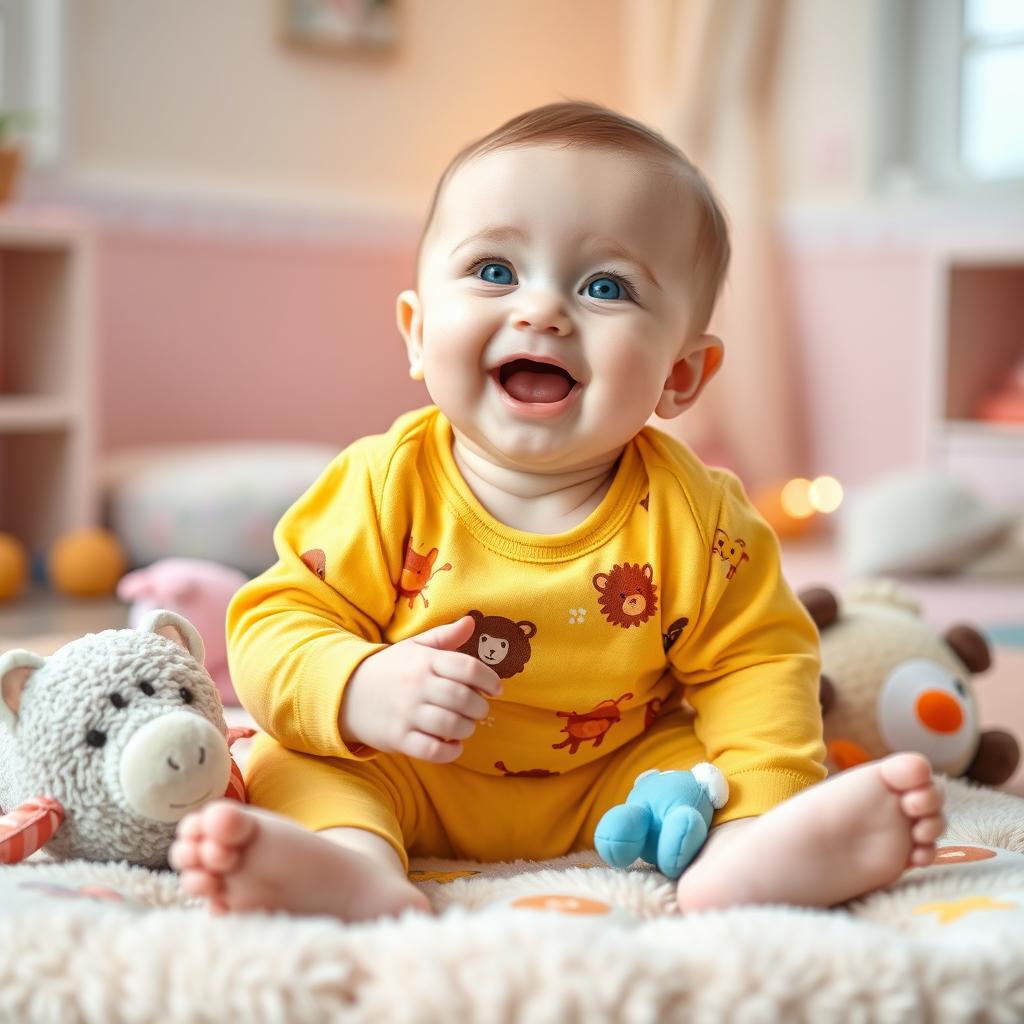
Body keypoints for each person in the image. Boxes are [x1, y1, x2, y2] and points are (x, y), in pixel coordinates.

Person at [169, 101, 944, 920]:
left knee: (706, 766)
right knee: (290, 758)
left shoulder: (698, 516)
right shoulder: (382, 482)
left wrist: (771, 793)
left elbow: (758, 662)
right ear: (417, 330)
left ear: (681, 377)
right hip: (404, 769)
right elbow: (273, 622)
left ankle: (751, 855)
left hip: (613, 783)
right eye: (496, 271)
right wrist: (359, 685)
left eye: (605, 286)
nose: (542, 310)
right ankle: (353, 867)